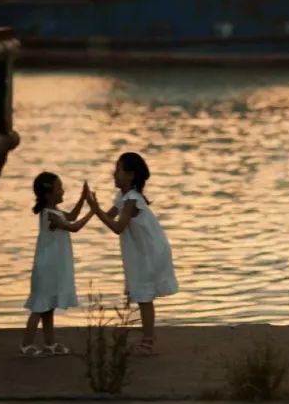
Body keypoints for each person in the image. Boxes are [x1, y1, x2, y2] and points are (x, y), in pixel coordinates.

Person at [87, 152, 178, 355]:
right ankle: (148, 336)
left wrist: (95, 208)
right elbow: (107, 215)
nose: (114, 173)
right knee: (142, 294)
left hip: (150, 252)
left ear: (130, 175)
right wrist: (90, 208)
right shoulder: (122, 197)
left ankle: (148, 340)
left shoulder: (132, 199)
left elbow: (117, 226)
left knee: (145, 295)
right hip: (141, 251)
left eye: (118, 170)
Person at [20, 172, 94, 357]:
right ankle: (26, 344)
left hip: (54, 266)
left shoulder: (56, 212)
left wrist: (84, 199)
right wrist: (93, 211)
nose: (62, 191)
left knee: (48, 306)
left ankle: (50, 343)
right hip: (46, 268)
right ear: (48, 193)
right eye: (59, 188)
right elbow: (74, 226)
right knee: (39, 306)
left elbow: (72, 216)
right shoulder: (49, 215)